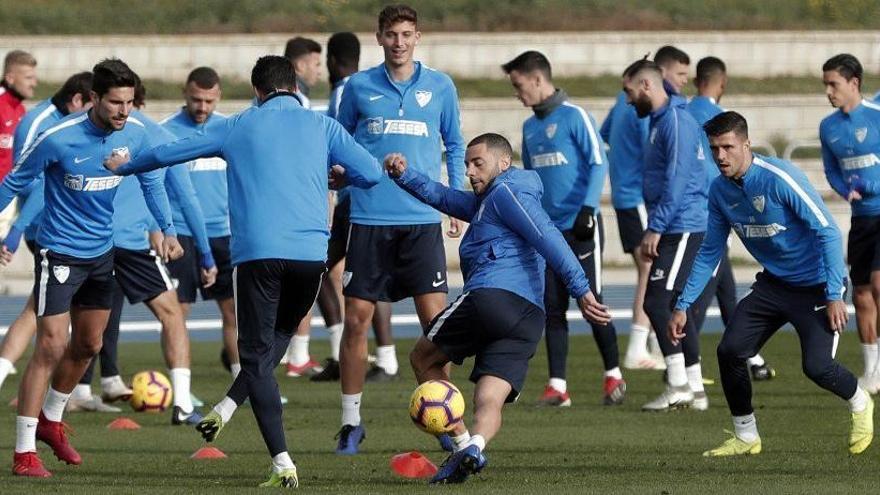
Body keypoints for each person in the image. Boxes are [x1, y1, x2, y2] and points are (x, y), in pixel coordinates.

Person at [105, 54, 383, 488]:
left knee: (254, 355)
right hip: (312, 256)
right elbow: (371, 174)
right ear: (293, 85)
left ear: (257, 92)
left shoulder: (238, 125)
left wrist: (127, 166)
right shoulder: (323, 125)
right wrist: (338, 178)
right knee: (280, 337)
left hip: (257, 254)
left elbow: (168, 153)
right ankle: (227, 408)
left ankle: (283, 461)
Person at [387, 133, 612, 483]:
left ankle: (457, 442)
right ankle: (475, 446)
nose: (470, 172)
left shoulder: (507, 192)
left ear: (503, 163)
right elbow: (443, 196)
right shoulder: (488, 199)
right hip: (527, 318)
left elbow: (547, 236)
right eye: (466, 165)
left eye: (478, 163)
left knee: (422, 358)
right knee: (488, 398)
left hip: (492, 296)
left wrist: (581, 289)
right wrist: (404, 174)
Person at [0, 58, 177, 478]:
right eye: (115, 102)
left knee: (89, 346)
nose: (124, 111)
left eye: (129, 102)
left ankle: (51, 421)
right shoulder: (57, 139)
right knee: (50, 346)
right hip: (58, 253)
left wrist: (167, 230)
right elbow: (13, 182)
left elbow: (152, 181)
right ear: (94, 99)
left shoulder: (134, 134)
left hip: (102, 254)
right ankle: (24, 453)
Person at [670, 110, 873, 456]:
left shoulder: (780, 178)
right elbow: (710, 252)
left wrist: (834, 293)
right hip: (774, 285)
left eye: (728, 147)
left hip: (816, 288)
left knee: (817, 367)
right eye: (715, 148)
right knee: (729, 351)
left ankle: (860, 400)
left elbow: (826, 230)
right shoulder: (719, 191)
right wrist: (683, 304)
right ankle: (746, 437)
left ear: (746, 144)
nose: (720, 156)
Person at [333, 3, 465, 454]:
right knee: (356, 322)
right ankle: (351, 423)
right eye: (391, 34)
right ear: (379, 37)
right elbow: (338, 141)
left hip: (423, 220)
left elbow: (455, 144)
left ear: (418, 37)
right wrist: (338, 176)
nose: (399, 42)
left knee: (435, 328)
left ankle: (447, 422)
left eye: (407, 34)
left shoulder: (441, 87)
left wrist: (455, 201)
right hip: (369, 219)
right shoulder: (358, 87)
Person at [502, 50, 625, 407]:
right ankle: (558, 386)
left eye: (518, 85)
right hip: (548, 231)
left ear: (537, 79)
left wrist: (588, 208)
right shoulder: (529, 127)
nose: (516, 93)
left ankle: (613, 374)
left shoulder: (576, 116)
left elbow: (598, 161)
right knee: (552, 306)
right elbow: (531, 178)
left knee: (592, 301)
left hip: (582, 225)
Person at [309, 31, 399, 383]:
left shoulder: (345, 91)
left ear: (332, 61)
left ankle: (364, 355)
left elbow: (334, 147)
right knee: (365, 273)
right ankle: (379, 356)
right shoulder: (365, 86)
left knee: (315, 265)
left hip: (353, 200)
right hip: (364, 197)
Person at [621, 59, 710, 412]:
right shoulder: (661, 121)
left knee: (657, 303)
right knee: (675, 306)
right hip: (676, 223)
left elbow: (677, 177)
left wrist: (655, 226)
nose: (627, 100)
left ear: (646, 86)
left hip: (682, 225)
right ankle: (694, 388)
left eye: (629, 91)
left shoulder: (674, 121)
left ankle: (678, 385)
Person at [0, 72, 94, 397]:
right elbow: (27, 180)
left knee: (36, 312)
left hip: (61, 228)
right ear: (78, 101)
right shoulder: (40, 124)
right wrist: (16, 229)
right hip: (45, 230)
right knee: (54, 321)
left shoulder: (65, 124)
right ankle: (54, 395)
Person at [686, 56, 775, 381]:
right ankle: (685, 368)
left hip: (701, 210)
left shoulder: (681, 113)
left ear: (695, 80)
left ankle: (751, 357)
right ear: (721, 84)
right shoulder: (720, 120)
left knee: (724, 288)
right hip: (712, 210)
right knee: (703, 290)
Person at [160, 67, 241, 383]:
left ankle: (241, 382)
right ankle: (183, 388)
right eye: (196, 100)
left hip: (226, 233)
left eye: (209, 101)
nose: (202, 107)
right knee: (177, 314)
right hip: (182, 234)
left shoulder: (231, 130)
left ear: (218, 96)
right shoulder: (166, 132)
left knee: (234, 312)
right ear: (185, 93)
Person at [819, 54, 880, 395]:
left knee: (879, 282)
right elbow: (830, 170)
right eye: (826, 85)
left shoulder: (876, 117)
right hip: (862, 219)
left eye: (834, 84)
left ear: (854, 83)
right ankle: (872, 371)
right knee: (861, 293)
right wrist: (846, 191)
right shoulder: (828, 127)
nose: (829, 91)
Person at [600, 66, 662, 371]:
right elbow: (652, 150)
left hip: (625, 195)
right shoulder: (644, 112)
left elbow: (604, 135)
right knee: (650, 272)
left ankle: (655, 345)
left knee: (650, 271)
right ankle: (638, 347)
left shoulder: (618, 102)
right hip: (636, 196)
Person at [0, 50, 38, 235]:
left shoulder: (20, 110)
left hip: (9, 197)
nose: (34, 83)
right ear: (10, 78)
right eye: (28, 77)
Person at [284, 36, 322, 109]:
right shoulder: (299, 100)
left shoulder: (269, 94)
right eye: (317, 65)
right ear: (301, 66)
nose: (319, 72)